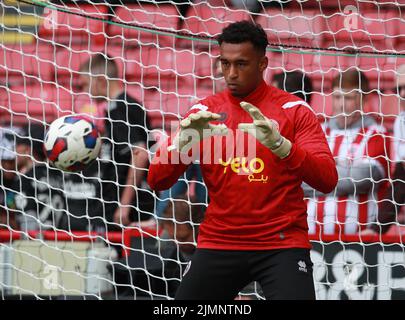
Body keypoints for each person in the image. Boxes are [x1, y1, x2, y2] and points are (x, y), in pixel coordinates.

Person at [147, 21, 337, 300]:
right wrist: (181, 146)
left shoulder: (294, 111)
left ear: (263, 64)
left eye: (241, 64)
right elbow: (156, 180)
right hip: (220, 240)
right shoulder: (204, 113)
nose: (231, 73)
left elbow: (327, 179)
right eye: (225, 63)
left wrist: (283, 147)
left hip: (281, 242)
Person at [304, 69, 390, 236]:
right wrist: (344, 167)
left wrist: (319, 173)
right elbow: (298, 179)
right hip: (310, 239)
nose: (341, 105)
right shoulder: (316, 131)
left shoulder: (377, 134)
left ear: (364, 99)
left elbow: (363, 178)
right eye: (337, 97)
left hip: (358, 243)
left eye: (349, 98)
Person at [79, 53, 153, 231]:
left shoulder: (119, 108)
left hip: (127, 203)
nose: (85, 91)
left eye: (86, 84)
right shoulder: (126, 105)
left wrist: (125, 204)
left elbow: (140, 153)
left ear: (100, 81)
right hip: (125, 197)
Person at [361, 64, 405, 235]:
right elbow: (401, 180)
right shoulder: (401, 122)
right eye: (398, 88)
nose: (402, 94)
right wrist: (377, 228)